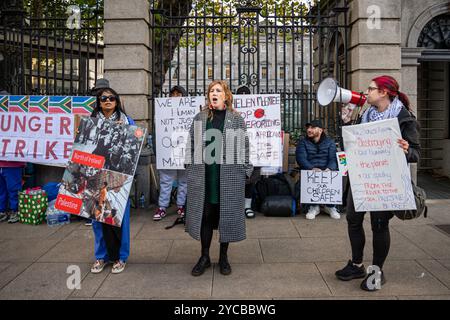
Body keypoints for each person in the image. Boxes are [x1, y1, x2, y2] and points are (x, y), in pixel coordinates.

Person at [335, 75, 420, 291]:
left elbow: (416, 154)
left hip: (385, 181)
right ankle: (356, 264)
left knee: (379, 225)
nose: (367, 92)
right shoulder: (365, 114)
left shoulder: (404, 118)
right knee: (353, 219)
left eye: (371, 89)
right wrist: (346, 122)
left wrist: (406, 149)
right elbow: (352, 142)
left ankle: (377, 271)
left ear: (383, 92)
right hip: (362, 177)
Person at [185, 80, 253, 276]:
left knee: (226, 216)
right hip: (204, 175)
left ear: (226, 95)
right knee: (206, 215)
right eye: (211, 91)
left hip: (229, 175)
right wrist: (189, 167)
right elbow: (190, 144)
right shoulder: (200, 118)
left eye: (218, 90)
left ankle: (223, 257)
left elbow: (244, 147)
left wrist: (246, 170)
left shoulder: (236, 119)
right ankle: (204, 257)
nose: (214, 93)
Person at [90, 86, 133, 274]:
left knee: (119, 219)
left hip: (118, 176)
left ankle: (121, 257)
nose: (107, 101)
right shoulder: (89, 123)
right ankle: (101, 257)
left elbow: (134, 148)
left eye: (111, 98)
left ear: (117, 101)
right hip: (95, 175)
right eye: (103, 98)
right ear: (99, 102)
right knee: (97, 218)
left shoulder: (127, 122)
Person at [153, 85, 189, 221]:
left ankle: (181, 205)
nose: (175, 96)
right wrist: (159, 152)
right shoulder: (163, 111)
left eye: (178, 94)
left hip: (184, 153)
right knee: (166, 181)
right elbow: (159, 132)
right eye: (173, 94)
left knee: (184, 181)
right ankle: (162, 207)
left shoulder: (189, 112)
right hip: (167, 152)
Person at [296, 119, 340, 220]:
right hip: (311, 172)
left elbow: (333, 158)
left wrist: (329, 169)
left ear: (320, 130)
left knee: (333, 176)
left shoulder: (330, 142)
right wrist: (311, 168)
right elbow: (301, 158)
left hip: (326, 172)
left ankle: (330, 207)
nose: (309, 130)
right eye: (308, 127)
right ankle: (313, 207)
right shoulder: (303, 142)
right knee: (309, 177)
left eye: (312, 127)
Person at [0, 90, 25, 224]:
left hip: (13, 163)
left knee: (13, 189)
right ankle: (2, 211)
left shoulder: (19, 115)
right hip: (2, 162)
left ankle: (15, 210)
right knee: (1, 189)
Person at [236, 85, 259, 219]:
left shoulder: (255, 109)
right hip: (235, 150)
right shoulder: (231, 111)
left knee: (250, 180)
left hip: (254, 150)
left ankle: (247, 206)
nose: (244, 98)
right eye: (241, 95)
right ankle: (237, 206)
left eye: (246, 95)